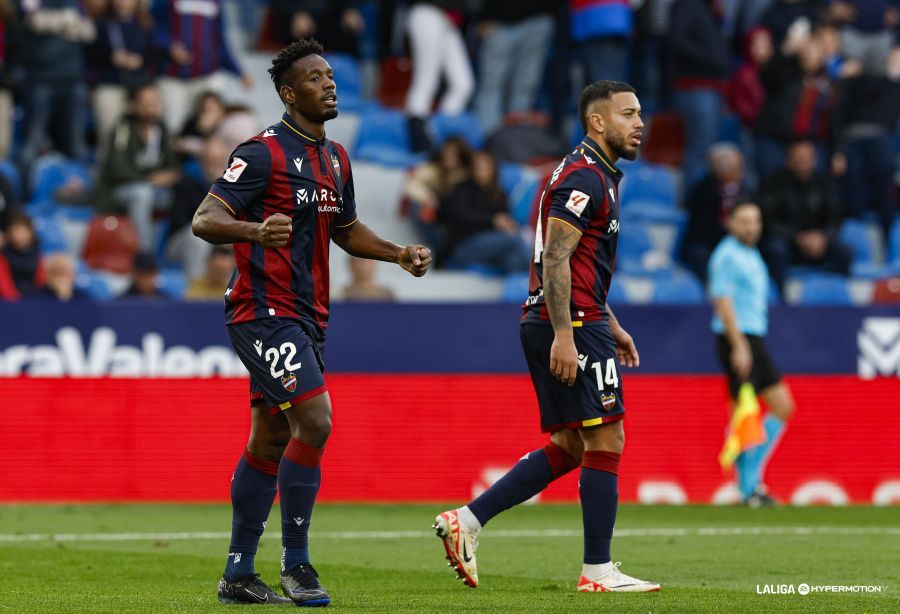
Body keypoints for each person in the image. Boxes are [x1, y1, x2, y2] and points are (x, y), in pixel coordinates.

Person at [191, 38, 432, 606]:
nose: (330, 83)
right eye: (316, 77)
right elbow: (205, 219)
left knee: (272, 435)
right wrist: (254, 231)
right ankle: (297, 565)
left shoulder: (336, 158)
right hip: (261, 311)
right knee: (316, 421)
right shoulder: (261, 153)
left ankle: (237, 574)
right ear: (287, 92)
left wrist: (397, 252)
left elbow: (344, 230)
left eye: (331, 75)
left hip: (308, 315)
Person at [434, 81, 659, 593]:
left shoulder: (589, 172)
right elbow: (555, 258)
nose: (639, 123)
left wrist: (612, 322)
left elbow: (578, 264)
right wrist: (568, 333)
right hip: (569, 323)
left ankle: (466, 522)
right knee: (607, 437)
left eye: (640, 113)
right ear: (597, 122)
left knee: (570, 444)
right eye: (628, 114)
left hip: (570, 317)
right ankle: (598, 571)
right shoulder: (583, 177)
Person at [709, 200, 795, 506]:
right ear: (730, 223)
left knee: (780, 406)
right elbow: (722, 301)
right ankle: (748, 487)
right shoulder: (726, 256)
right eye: (744, 221)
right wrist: (740, 345)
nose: (751, 226)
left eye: (755, 220)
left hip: (752, 338)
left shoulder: (751, 253)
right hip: (739, 338)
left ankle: (749, 479)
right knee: (745, 411)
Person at [95, 81, 182, 250]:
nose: (151, 108)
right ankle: (144, 251)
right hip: (120, 190)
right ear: (134, 106)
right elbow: (115, 168)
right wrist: (148, 180)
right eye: (145, 103)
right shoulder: (124, 129)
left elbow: (174, 165)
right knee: (142, 194)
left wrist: (171, 175)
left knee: (183, 193)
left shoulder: (162, 130)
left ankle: (174, 248)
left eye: (154, 103)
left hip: (155, 190)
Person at [757, 139, 852, 290]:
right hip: (789, 241)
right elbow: (767, 220)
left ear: (814, 159)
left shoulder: (823, 183)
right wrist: (796, 237)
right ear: (788, 159)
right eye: (797, 158)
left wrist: (823, 237)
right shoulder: (774, 183)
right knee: (775, 250)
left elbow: (836, 217)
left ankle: (840, 294)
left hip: (818, 241)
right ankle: (781, 296)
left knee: (845, 251)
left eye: (806, 157)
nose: (802, 162)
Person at [151, 0, 253, 133]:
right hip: (172, 78)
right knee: (172, 127)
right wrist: (169, 45)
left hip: (207, 76)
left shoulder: (215, 2)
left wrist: (239, 72)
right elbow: (150, 26)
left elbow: (219, 40)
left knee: (210, 125)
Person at [17, 0, 95, 172]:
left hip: (74, 78)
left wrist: (54, 23)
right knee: (34, 140)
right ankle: (21, 192)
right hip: (41, 78)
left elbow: (89, 32)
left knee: (76, 142)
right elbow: (35, 22)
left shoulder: (77, 2)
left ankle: (81, 191)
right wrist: (70, 21)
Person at [666, 0, 730, 190]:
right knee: (700, 153)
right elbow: (677, 39)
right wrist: (712, 60)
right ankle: (694, 206)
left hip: (710, 88)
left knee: (706, 152)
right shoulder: (689, 5)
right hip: (696, 88)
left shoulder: (710, 9)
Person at [439, 149, 531, 273]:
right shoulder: (462, 189)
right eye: (477, 167)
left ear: (493, 170)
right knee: (515, 240)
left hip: (492, 244)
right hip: (464, 245)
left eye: (484, 167)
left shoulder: (499, 194)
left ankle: (519, 288)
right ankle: (541, 281)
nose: (480, 171)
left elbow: (504, 218)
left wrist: (508, 224)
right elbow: (461, 215)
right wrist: (493, 220)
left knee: (512, 257)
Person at [474, 1, 555, 135]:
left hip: (537, 19)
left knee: (525, 85)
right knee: (491, 85)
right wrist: (481, 17)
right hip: (497, 21)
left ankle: (514, 141)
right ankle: (488, 144)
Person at [405, 1, 475, 151]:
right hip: (427, 12)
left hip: (450, 18)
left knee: (463, 84)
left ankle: (439, 131)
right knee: (427, 79)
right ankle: (417, 136)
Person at [680, 143, 748, 282]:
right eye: (723, 162)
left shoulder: (747, 191)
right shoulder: (703, 189)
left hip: (738, 241)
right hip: (708, 242)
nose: (728, 166)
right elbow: (699, 225)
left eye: (734, 163)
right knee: (701, 253)